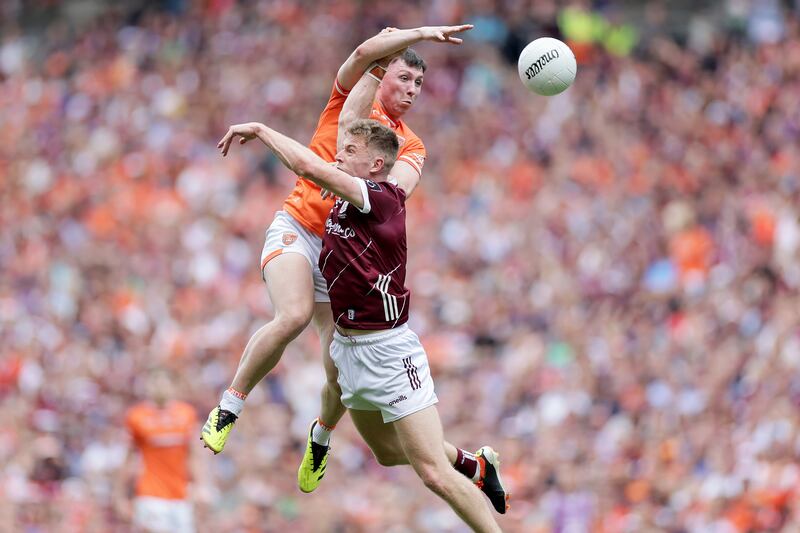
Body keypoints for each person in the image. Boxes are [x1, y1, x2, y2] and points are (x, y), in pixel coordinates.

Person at [201, 23, 473, 489]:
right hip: (299, 228)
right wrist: (424, 32)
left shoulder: (409, 143)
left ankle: (321, 437)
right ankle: (230, 406)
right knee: (293, 316)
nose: (411, 91)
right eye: (404, 78)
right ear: (383, 74)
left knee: (338, 361)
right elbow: (366, 49)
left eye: (419, 84)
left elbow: (397, 191)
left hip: (339, 250)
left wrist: (369, 192)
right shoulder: (344, 102)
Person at [217, 117, 507, 530]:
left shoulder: (380, 197)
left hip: (389, 352)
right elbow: (350, 96)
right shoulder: (343, 189)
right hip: (350, 351)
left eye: (350, 152)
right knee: (387, 453)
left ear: (375, 165)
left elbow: (310, 167)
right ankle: (475, 463)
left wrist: (263, 131)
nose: (339, 154)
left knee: (432, 474)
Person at [116, 368, 201, 533]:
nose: (159, 387)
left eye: (163, 382)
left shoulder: (186, 414)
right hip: (150, 494)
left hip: (180, 495)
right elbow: (129, 458)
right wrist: (120, 495)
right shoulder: (136, 416)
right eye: (155, 383)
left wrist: (201, 485)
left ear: (173, 386)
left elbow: (194, 454)